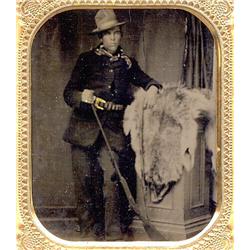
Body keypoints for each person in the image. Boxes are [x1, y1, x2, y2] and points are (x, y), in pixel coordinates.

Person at [63, 9, 162, 241]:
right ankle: (88, 234)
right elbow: (68, 94)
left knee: (112, 181)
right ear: (100, 38)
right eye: (108, 34)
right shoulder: (86, 60)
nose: (114, 38)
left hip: (113, 130)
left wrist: (153, 87)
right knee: (85, 181)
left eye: (117, 33)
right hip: (84, 128)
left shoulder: (128, 64)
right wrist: (82, 97)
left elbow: (146, 80)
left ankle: (114, 236)